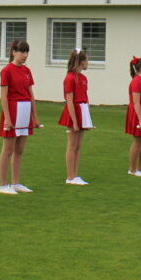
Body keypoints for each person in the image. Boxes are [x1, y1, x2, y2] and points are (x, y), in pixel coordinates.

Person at [0, 39, 38, 194]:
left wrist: (34, 115)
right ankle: (3, 184)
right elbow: (4, 96)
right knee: (8, 149)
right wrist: (7, 118)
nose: (24, 55)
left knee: (20, 149)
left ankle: (16, 182)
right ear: (14, 52)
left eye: (26, 51)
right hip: (13, 110)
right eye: (22, 51)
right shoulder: (6, 70)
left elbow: (31, 94)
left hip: (25, 109)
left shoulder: (27, 71)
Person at [59, 49, 91, 185]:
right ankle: (70, 176)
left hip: (82, 111)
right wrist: (75, 121)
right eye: (87, 60)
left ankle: (75, 174)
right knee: (72, 145)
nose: (88, 63)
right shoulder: (70, 78)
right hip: (73, 112)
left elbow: (86, 97)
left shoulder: (83, 78)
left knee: (78, 145)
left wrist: (87, 118)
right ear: (81, 62)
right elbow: (69, 100)